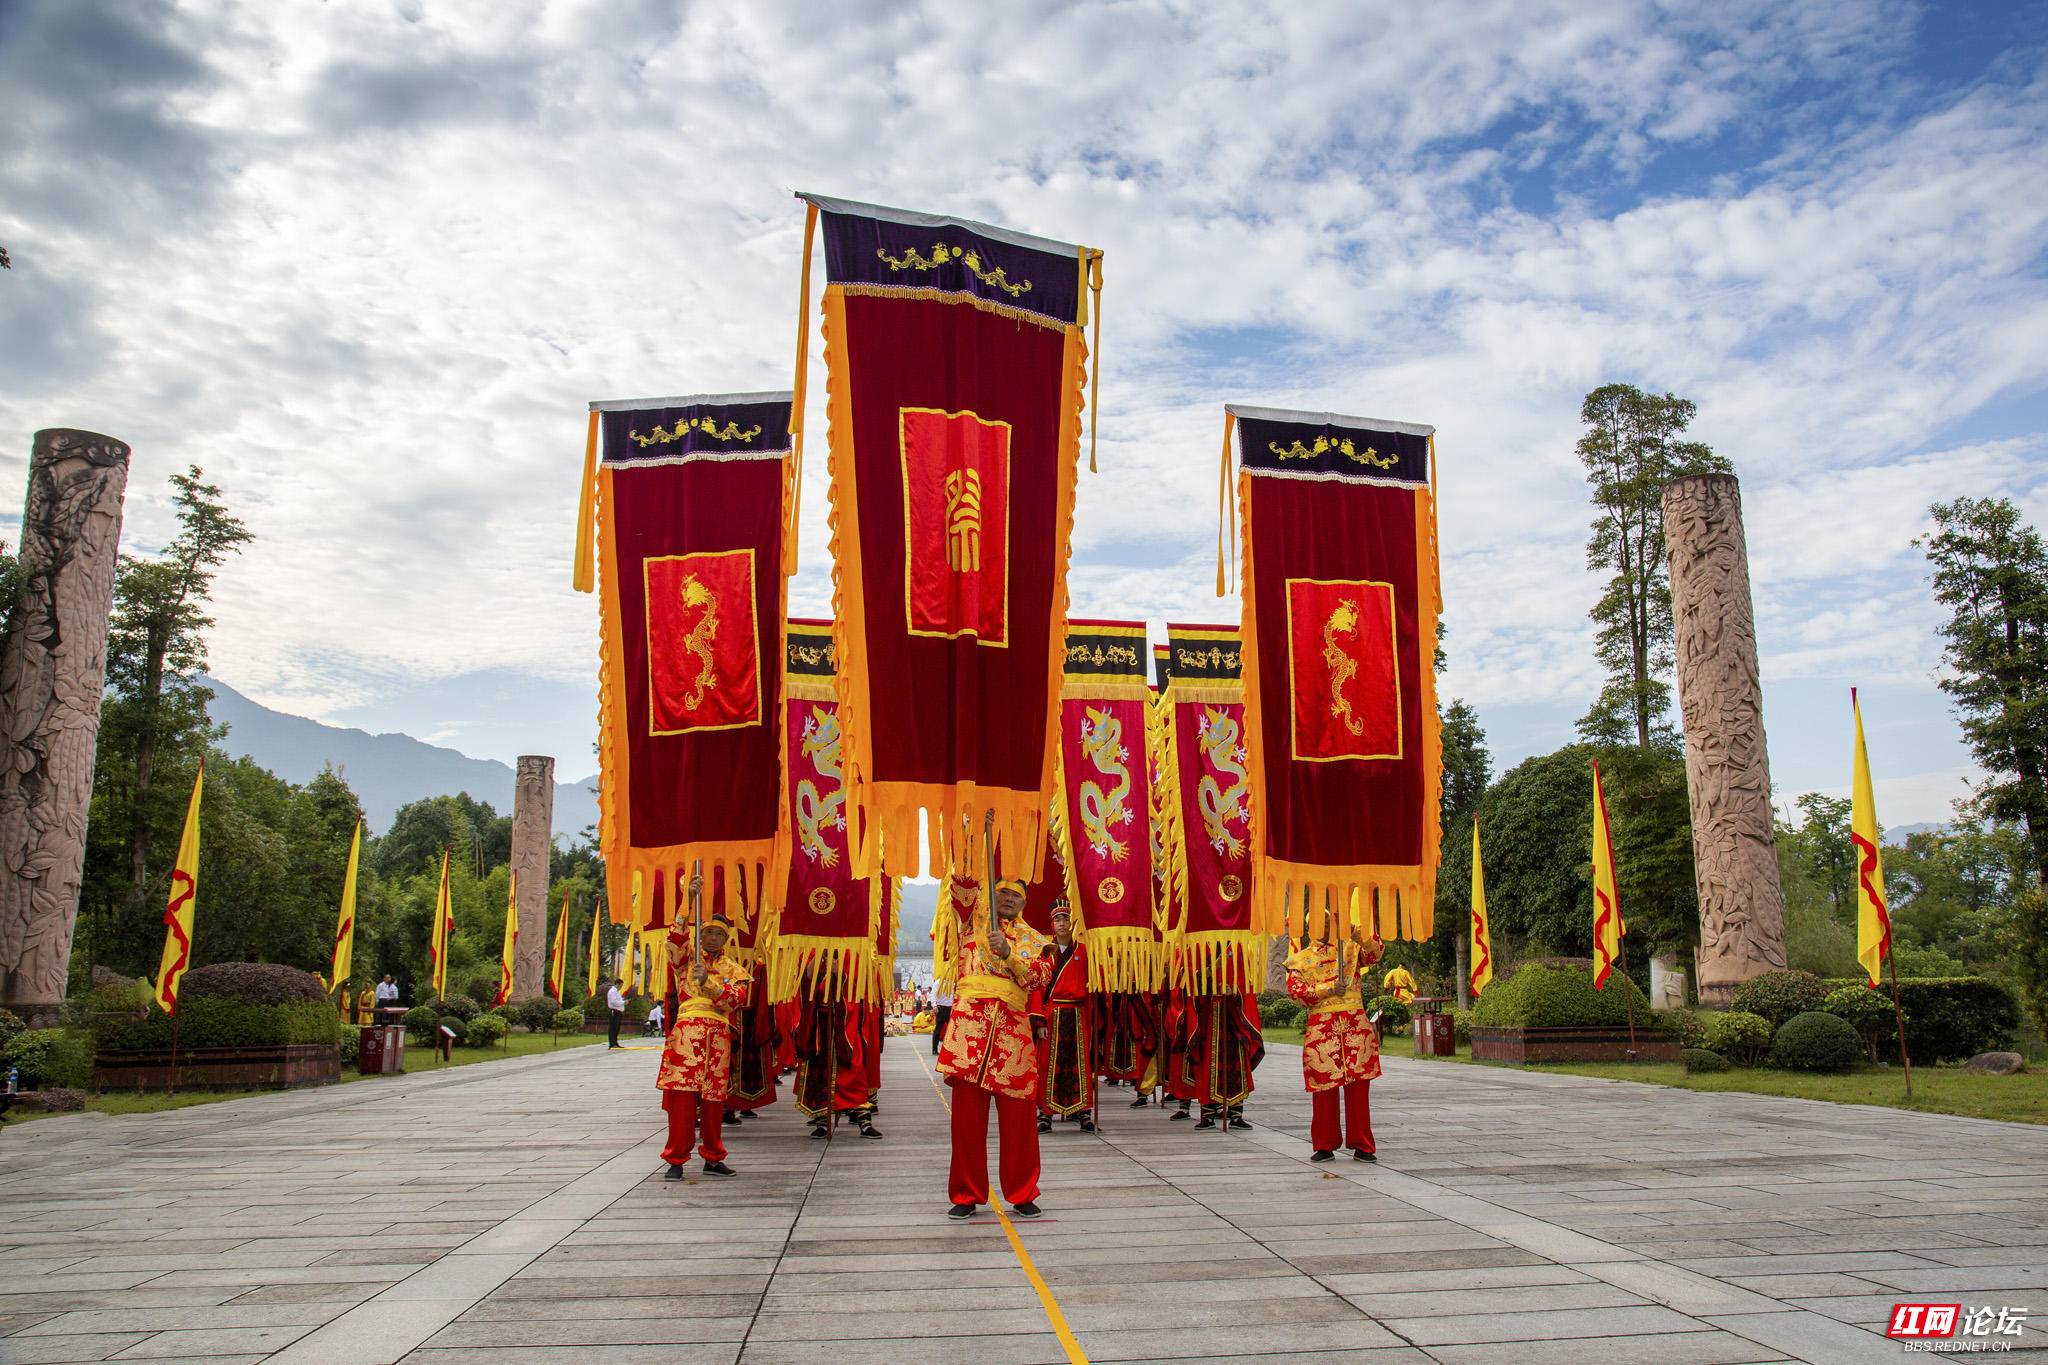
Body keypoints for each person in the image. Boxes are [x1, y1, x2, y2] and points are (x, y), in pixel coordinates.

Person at [936, 875, 1051, 1219]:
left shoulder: (1035, 940)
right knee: (967, 1123)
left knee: (1020, 1124)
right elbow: (961, 885)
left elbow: (1039, 978)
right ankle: (965, 1194)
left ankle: (1022, 1191)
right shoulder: (971, 922)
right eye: (1001, 891)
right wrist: (968, 832)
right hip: (968, 1036)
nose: (1008, 898)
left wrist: (1010, 954)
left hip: (1012, 1039)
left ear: (1025, 902)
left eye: (1016, 895)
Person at [657, 896, 749, 1178]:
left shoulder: (734, 970)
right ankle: (676, 1159)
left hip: (718, 1037)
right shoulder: (685, 960)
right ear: (700, 933)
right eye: (708, 931)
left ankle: (712, 1156)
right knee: (681, 1101)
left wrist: (707, 983)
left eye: (719, 934)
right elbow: (674, 941)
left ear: (725, 939)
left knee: (713, 1102)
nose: (712, 937)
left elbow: (737, 1000)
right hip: (686, 1036)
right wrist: (687, 902)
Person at [1288, 925, 1386, 1162]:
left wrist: (1360, 937)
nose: (1323, 928)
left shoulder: (1350, 948)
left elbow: (1375, 955)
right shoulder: (1302, 959)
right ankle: (1324, 1144)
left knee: (1359, 1087)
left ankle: (1362, 1144)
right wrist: (1328, 989)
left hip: (1354, 1024)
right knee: (1323, 1088)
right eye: (1317, 923)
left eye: (1327, 922)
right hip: (1322, 1029)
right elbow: (1296, 991)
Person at [1036, 903, 1096, 1133]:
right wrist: (1039, 1020)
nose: (1062, 923)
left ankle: (1083, 1112)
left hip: (1078, 1014)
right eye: (1058, 919)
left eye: (1066, 919)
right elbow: (1037, 989)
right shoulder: (1045, 952)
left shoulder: (1084, 951)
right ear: (1052, 924)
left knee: (1080, 1064)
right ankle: (1046, 1114)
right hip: (1052, 1014)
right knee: (1047, 1064)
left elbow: (1093, 985)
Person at [931, 978, 953, 1056]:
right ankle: (934, 1049)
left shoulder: (952, 983)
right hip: (940, 1008)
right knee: (938, 1030)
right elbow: (933, 995)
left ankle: (951, 1049)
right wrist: (934, 1005)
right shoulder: (937, 983)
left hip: (950, 1008)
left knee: (952, 1030)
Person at [606, 978, 627, 1049]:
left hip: (618, 1011)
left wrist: (623, 1001)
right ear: (617, 984)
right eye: (621, 985)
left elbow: (618, 1000)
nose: (621, 987)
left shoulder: (617, 992)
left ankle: (615, 1042)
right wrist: (623, 1002)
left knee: (617, 1028)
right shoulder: (612, 991)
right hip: (614, 1011)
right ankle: (612, 1043)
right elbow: (613, 1002)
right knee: (613, 1028)